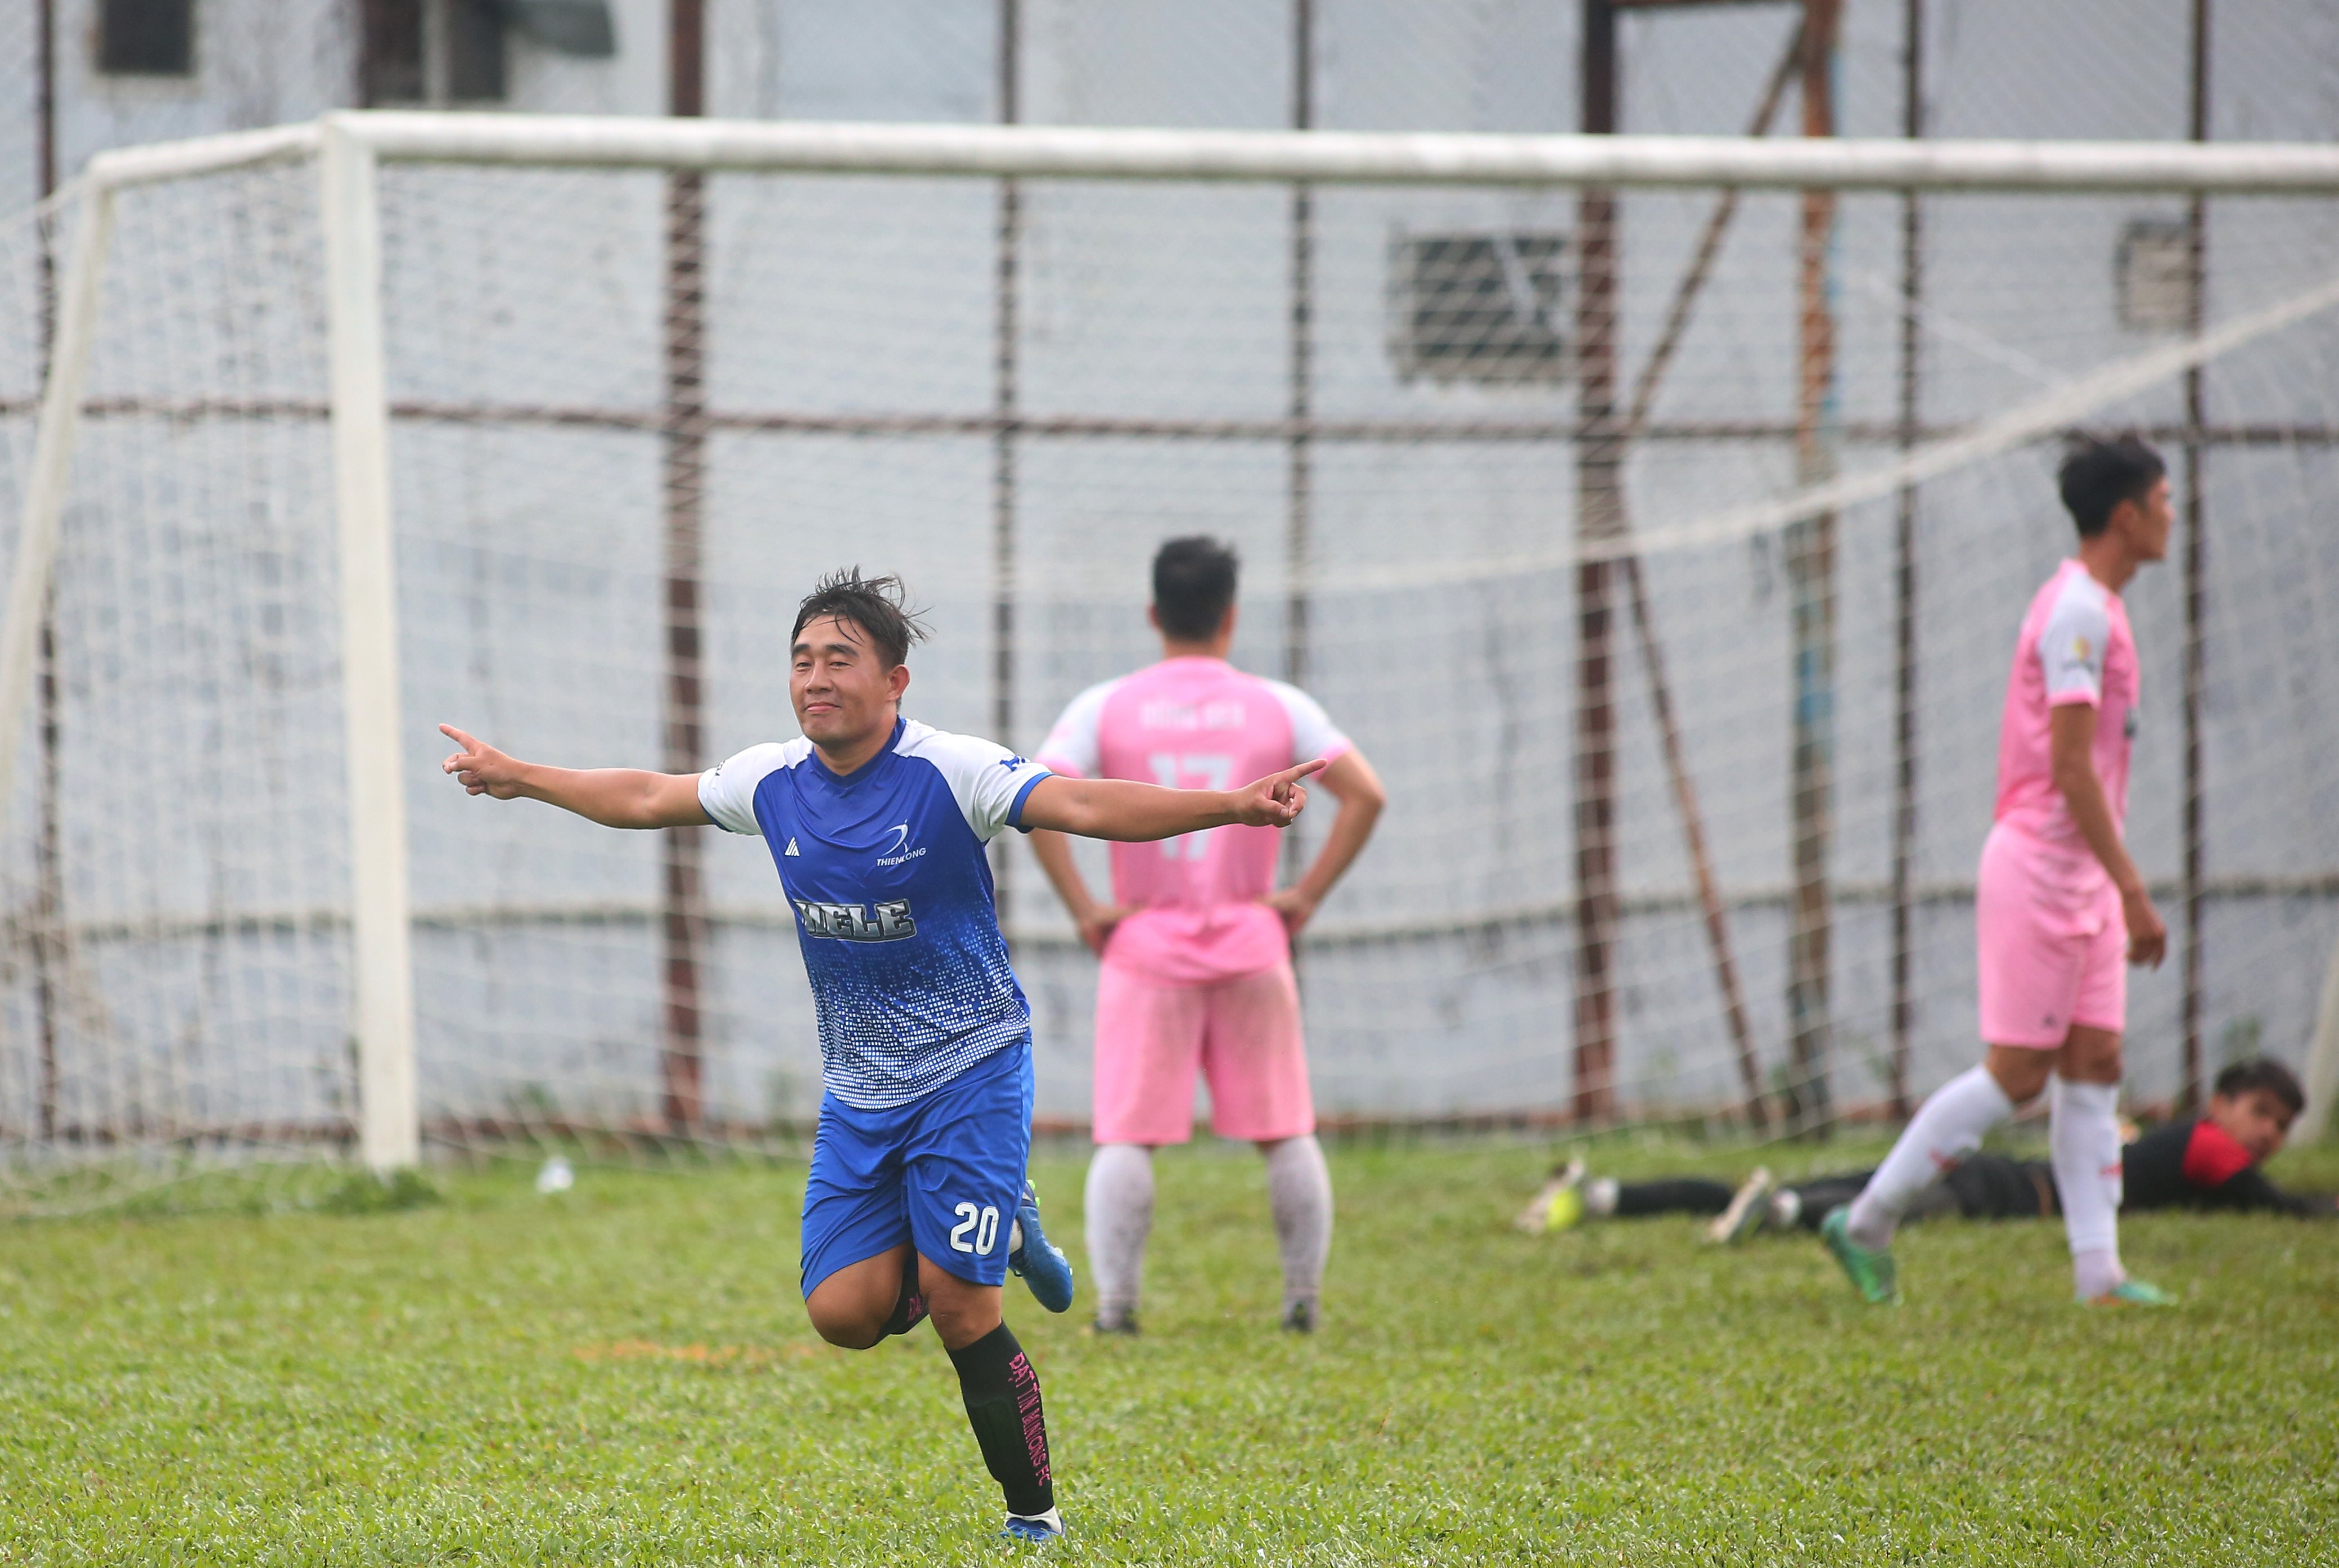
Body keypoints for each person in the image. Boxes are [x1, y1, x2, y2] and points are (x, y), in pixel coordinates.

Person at [439, 568, 1326, 1544]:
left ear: (895, 682)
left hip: (973, 1068)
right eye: (802, 660)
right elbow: (650, 795)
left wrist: (1231, 806)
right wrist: (522, 776)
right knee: (842, 1314)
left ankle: (1034, 1517)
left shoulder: (953, 771)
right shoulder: (771, 781)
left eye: (841, 660)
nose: (816, 678)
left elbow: (1082, 805)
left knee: (959, 1306)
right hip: (861, 1091)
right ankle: (994, 1223)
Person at [1823, 434, 2176, 1307]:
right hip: (2043, 870)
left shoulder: (2105, 607)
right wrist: (2133, 887)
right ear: (2126, 516)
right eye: (2165, 500)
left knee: (2095, 1061)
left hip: (2086, 873)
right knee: (2018, 1073)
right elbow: (2066, 767)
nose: (2174, 515)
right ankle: (1866, 1219)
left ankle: (2101, 1274)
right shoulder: (2078, 614)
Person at [1030, 537, 1385, 1335]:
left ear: (1154, 613)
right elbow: (1366, 796)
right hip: (1253, 943)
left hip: (1146, 951)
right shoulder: (1280, 706)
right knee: (1286, 1128)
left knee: (1127, 1133)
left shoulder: (1104, 706)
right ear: (1231, 615)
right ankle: (1302, 1303)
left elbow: (1040, 800)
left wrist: (1086, 907)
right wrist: (1305, 897)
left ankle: (1117, 1310)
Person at [1519, 1059, 2334, 1241]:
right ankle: (1785, 1213)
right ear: (2220, 1102)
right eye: (2258, 1112)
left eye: (2279, 1126)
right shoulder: (2205, 1148)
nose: (2264, 1135)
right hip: (1999, 1189)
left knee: (1816, 1187)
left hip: (1992, 1175)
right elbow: (2277, 1207)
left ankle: (1606, 1197)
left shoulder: (2176, 1141)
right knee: (1856, 1205)